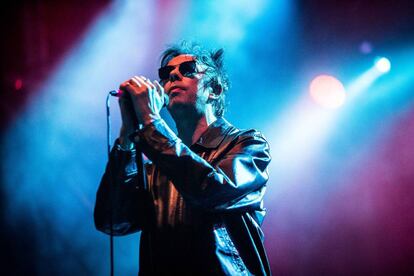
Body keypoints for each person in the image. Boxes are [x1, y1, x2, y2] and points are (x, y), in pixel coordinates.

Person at [94, 41, 272, 275]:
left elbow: (209, 191)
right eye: (166, 74)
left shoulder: (248, 146)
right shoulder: (156, 166)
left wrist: (151, 122)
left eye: (187, 69)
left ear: (214, 90)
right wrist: (127, 137)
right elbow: (112, 220)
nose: (174, 75)